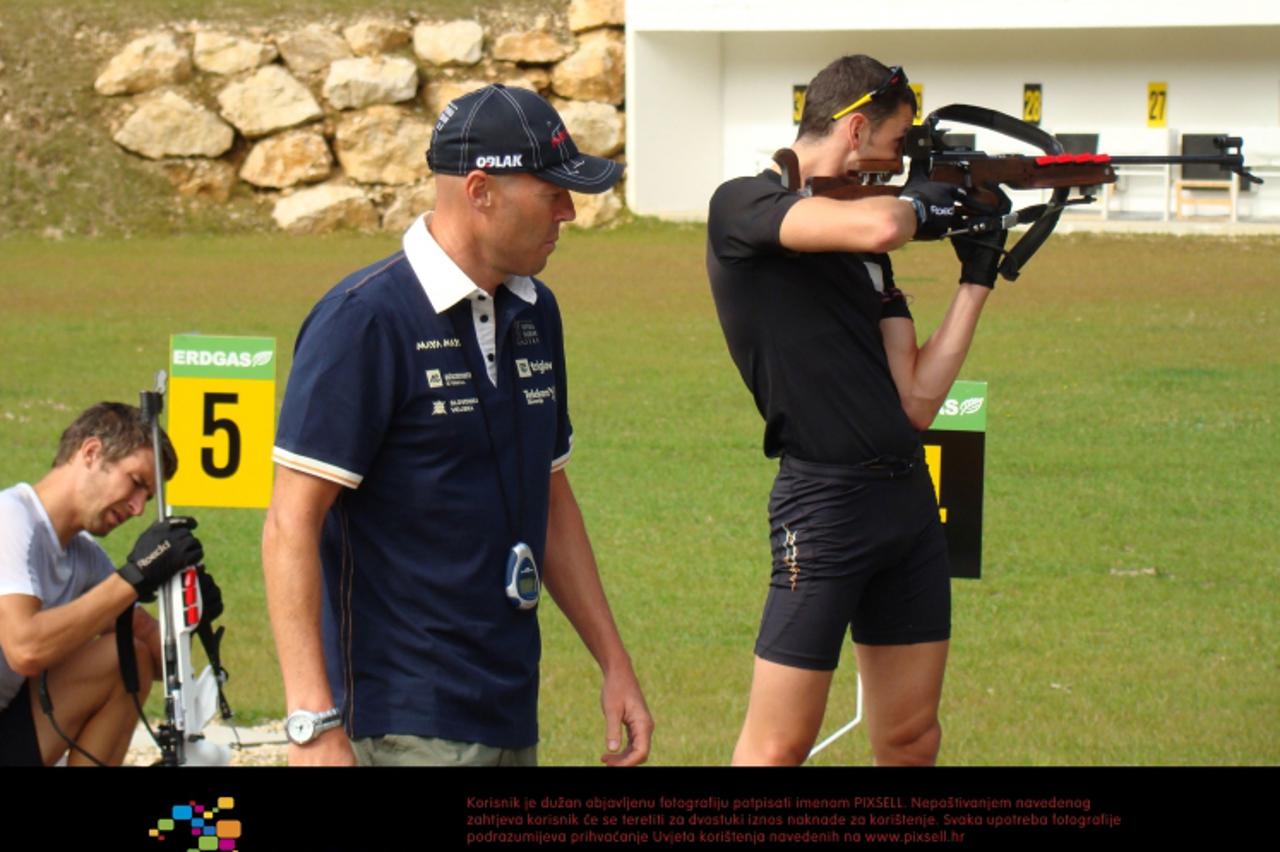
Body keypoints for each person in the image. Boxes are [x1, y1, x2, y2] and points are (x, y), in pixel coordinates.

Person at [263, 84, 653, 767]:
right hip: (400, 718)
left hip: (507, 706)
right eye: (552, 191)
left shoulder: (536, 312)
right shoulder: (363, 321)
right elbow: (288, 523)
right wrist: (312, 724)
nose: (570, 212)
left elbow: (552, 499)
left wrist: (613, 661)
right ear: (481, 190)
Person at [706, 56, 1006, 766]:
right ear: (856, 128)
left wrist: (978, 275)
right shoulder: (742, 205)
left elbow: (918, 402)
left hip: (906, 499)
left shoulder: (867, 253)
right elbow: (883, 225)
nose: (900, 161)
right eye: (897, 144)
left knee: (909, 737)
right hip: (825, 503)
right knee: (778, 746)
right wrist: (930, 202)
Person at [0, 402, 204, 766]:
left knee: (128, 658)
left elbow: (152, 651)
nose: (139, 508)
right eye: (137, 483)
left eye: (147, 498)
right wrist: (134, 576)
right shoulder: (10, 519)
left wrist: (187, 609)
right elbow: (25, 648)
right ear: (91, 453)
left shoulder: (84, 556)